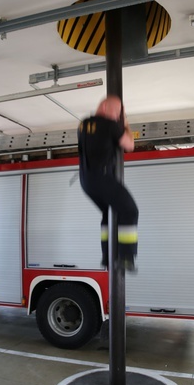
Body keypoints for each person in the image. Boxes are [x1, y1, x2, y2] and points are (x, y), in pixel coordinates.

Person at [77, 95, 138, 271]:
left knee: (108, 213)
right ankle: (126, 257)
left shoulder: (83, 125)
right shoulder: (109, 125)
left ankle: (107, 256)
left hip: (86, 181)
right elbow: (130, 145)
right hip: (103, 178)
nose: (118, 116)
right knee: (130, 210)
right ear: (104, 107)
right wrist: (125, 122)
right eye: (117, 111)